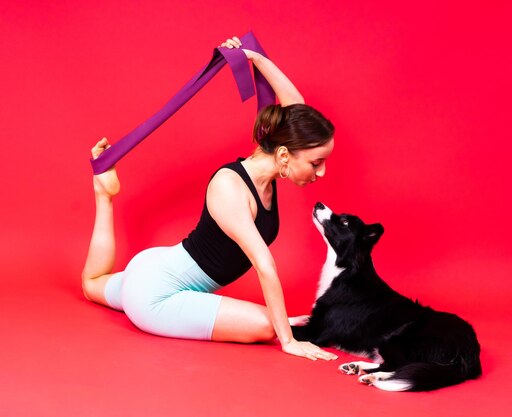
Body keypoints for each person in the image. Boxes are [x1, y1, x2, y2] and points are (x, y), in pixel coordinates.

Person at [82, 37, 337, 361]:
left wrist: (253, 56)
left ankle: (104, 194)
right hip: (156, 293)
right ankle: (102, 193)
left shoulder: (271, 166)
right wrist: (288, 340)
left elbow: (296, 107)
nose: (322, 172)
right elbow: (264, 265)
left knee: (92, 286)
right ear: (285, 155)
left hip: (154, 267)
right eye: (316, 163)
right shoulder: (229, 187)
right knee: (265, 325)